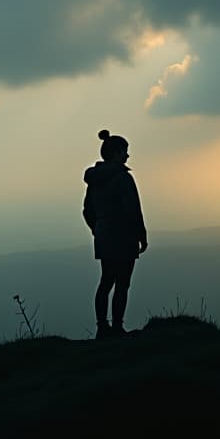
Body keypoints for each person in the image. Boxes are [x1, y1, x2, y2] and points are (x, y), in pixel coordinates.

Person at [82, 129, 148, 339]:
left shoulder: (94, 180)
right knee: (122, 283)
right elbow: (133, 210)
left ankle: (102, 327)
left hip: (103, 235)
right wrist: (141, 235)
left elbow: (87, 210)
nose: (127, 156)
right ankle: (117, 327)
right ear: (116, 153)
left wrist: (97, 229)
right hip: (124, 236)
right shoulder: (123, 178)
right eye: (125, 152)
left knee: (106, 281)